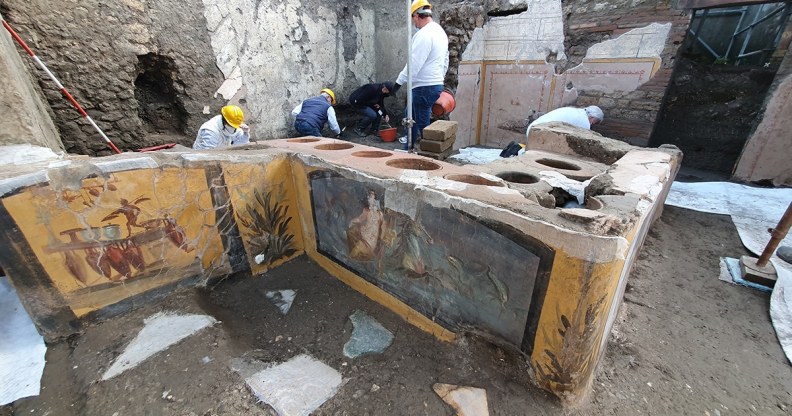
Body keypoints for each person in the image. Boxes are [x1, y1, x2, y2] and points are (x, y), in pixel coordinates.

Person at [392, 0, 448, 147]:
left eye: (413, 19)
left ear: (417, 15)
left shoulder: (424, 34)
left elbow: (414, 64)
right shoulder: (439, 31)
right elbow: (445, 59)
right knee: (409, 115)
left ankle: (429, 156)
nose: (413, 23)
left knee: (423, 124)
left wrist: (398, 83)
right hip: (432, 84)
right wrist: (439, 77)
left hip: (424, 86)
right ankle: (408, 148)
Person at [525, 105, 604, 140]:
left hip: (532, 128)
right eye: (594, 122)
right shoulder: (584, 121)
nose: (592, 124)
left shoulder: (575, 111)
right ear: (592, 117)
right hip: (538, 134)